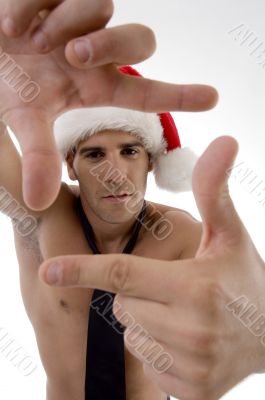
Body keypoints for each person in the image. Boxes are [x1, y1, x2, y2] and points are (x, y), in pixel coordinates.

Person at [0, 0, 218, 211]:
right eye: (95, 155)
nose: (115, 175)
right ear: (69, 165)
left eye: (130, 151)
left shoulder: (186, 239)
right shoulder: (43, 215)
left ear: (151, 162)